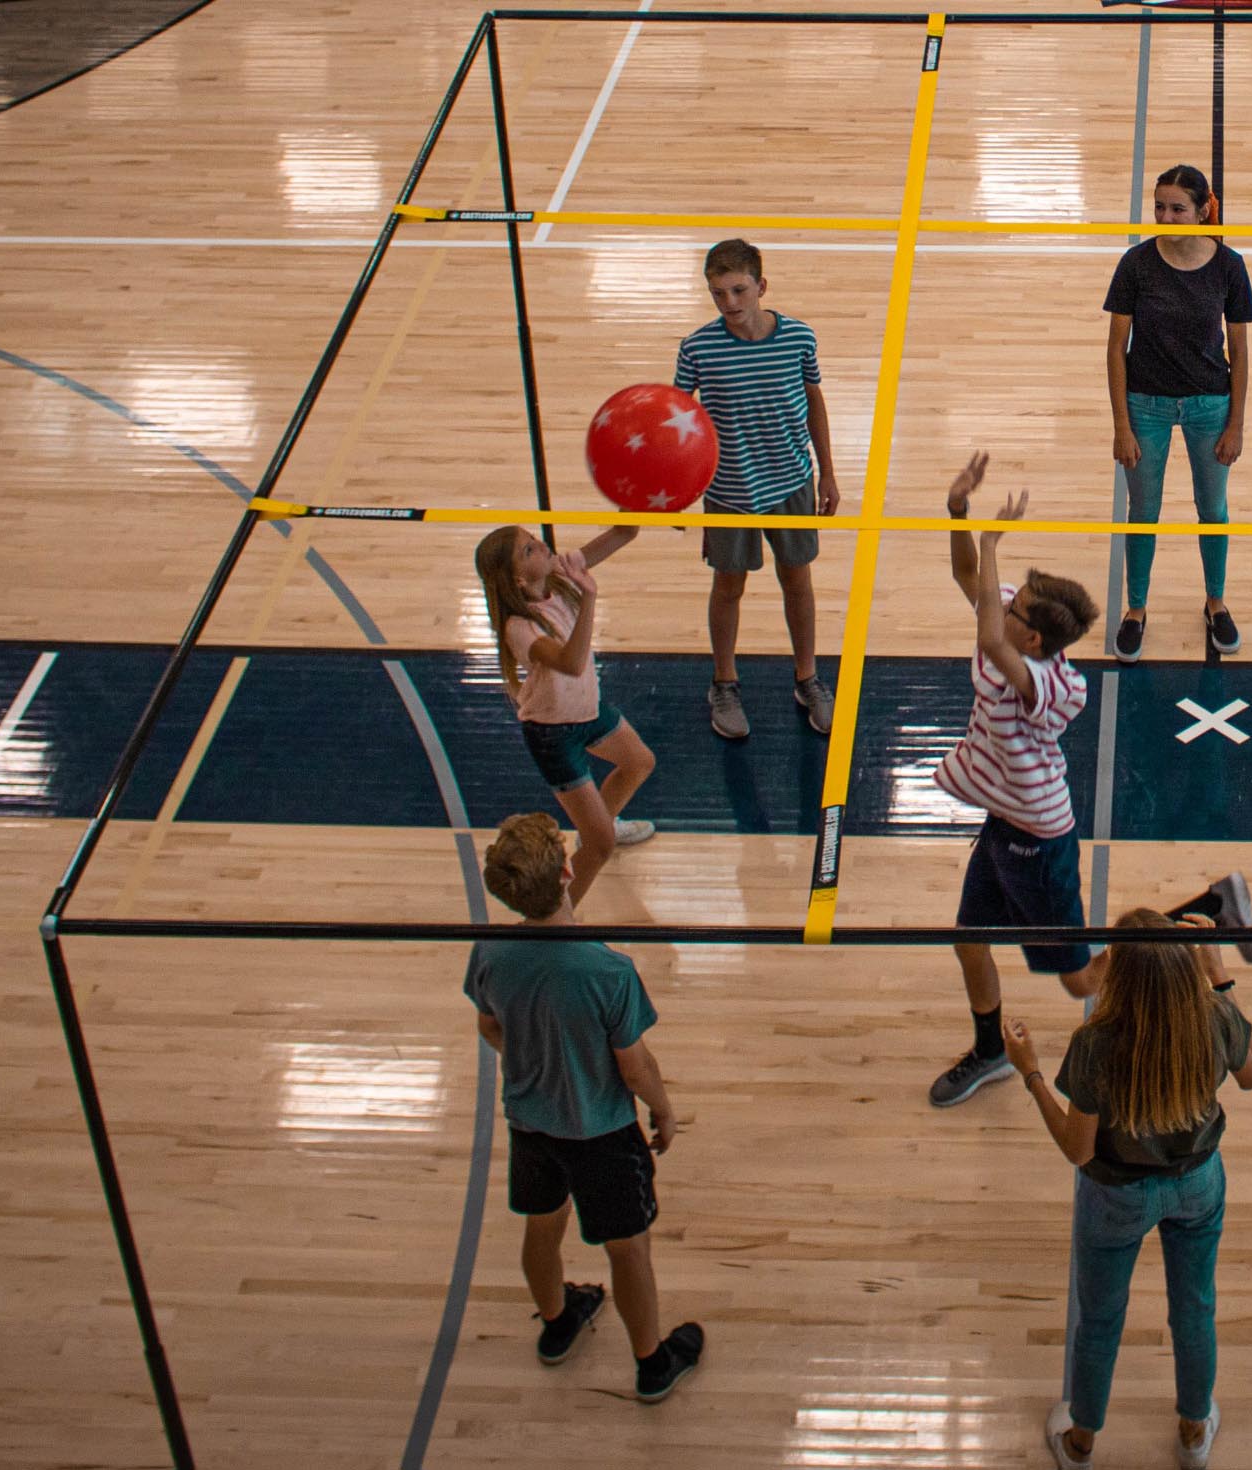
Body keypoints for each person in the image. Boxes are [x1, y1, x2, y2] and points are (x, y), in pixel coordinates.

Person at [922, 453, 1252, 1109]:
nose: (1003, 608)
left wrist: (994, 543)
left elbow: (992, 640)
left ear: (1040, 638)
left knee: (1083, 982)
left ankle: (1203, 915)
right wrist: (959, 513)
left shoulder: (1045, 680)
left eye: (1016, 613)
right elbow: (971, 579)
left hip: (1038, 843)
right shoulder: (1021, 627)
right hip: (1004, 825)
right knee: (970, 940)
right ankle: (990, 1050)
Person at [1001, 911, 1252, 1470]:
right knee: (1195, 1309)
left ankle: (1081, 1445)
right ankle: (1194, 1433)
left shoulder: (1096, 1044)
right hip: (1197, 1183)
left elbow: (1078, 1150)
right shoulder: (1214, 1016)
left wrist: (1030, 1074)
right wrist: (1220, 973)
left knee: (1099, 1320)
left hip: (1115, 1197)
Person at [464, 812, 703, 1403]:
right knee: (628, 1248)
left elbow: (488, 1024)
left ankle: (558, 1322)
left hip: (530, 1126)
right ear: (569, 872)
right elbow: (635, 1065)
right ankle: (652, 1363)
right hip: (603, 1133)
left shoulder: (492, 952)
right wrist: (664, 1109)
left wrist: (531, 1053)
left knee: (542, 1227)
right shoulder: (608, 971)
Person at [677, 237, 844, 739]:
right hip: (728, 491)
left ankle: (807, 678)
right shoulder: (697, 349)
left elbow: (814, 402)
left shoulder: (798, 338)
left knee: (798, 582)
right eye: (718, 293)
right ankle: (724, 684)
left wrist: (828, 472)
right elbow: (675, 422)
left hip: (792, 482)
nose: (729, 303)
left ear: (761, 286)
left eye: (738, 290)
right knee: (729, 587)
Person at [1104, 163, 1252, 662]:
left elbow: (1240, 349)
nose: (1166, 218)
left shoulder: (1229, 267)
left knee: (1212, 511)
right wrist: (1122, 425)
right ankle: (1136, 610)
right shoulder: (1136, 264)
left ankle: (1215, 602)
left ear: (1202, 211)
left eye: (1177, 209)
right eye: (1159, 209)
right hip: (1144, 406)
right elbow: (1115, 348)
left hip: (1209, 406)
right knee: (1142, 513)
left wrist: (1235, 423)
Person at [473, 525, 657, 904]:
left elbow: (622, 534)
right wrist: (589, 596)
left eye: (532, 539)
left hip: (587, 710)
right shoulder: (518, 628)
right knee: (600, 849)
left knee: (638, 762)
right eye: (528, 550)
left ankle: (601, 824)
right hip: (553, 734)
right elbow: (572, 664)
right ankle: (559, 918)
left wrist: (639, 507)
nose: (541, 544)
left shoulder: (556, 571)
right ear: (519, 579)